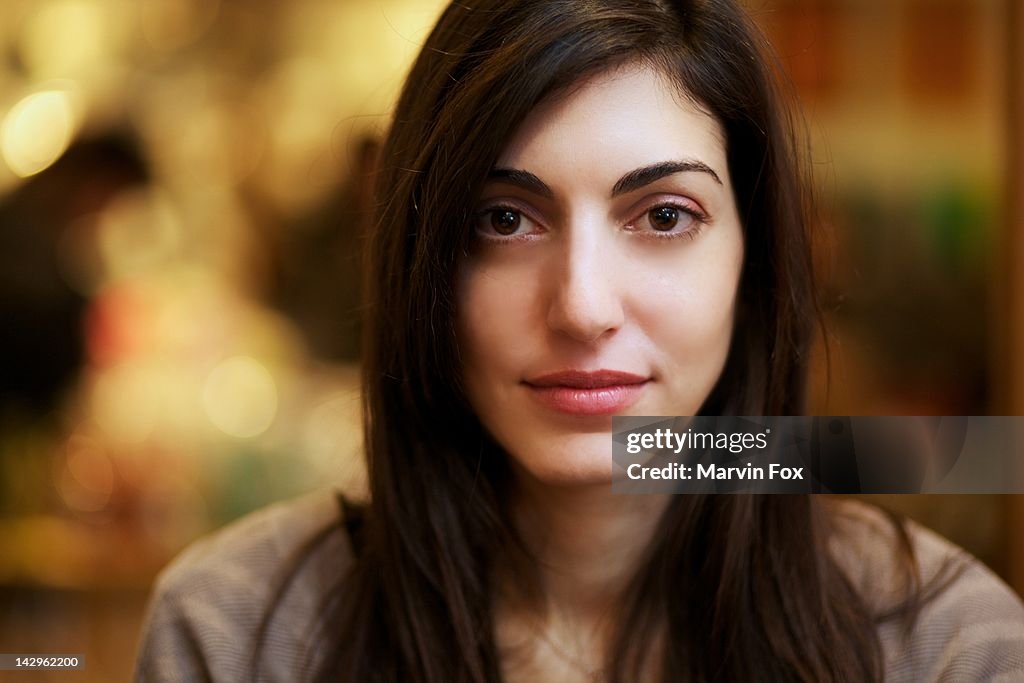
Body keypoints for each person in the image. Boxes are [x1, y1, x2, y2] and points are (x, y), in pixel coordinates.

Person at [133, 0, 1024, 681]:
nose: (583, 305)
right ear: (424, 264)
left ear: (754, 263)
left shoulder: (945, 644)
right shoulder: (239, 631)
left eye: (665, 215)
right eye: (505, 218)